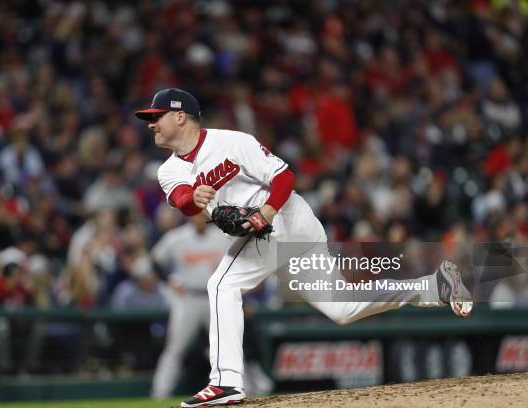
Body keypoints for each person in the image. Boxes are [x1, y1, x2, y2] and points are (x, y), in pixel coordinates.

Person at [134, 88, 474, 407]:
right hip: (273, 231)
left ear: (180, 117)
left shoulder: (232, 142)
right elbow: (182, 199)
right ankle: (433, 287)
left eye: (157, 116)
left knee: (222, 284)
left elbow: (284, 177)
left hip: (284, 217)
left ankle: (226, 381)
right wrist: (193, 197)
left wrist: (265, 213)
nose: (151, 124)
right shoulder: (169, 169)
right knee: (341, 308)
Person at [150, 213, 230, 399]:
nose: (200, 218)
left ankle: (241, 386)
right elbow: (155, 261)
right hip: (188, 298)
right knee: (175, 348)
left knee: (227, 345)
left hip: (215, 297)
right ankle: (160, 392)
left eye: (203, 215)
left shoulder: (222, 237)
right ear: (190, 216)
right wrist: (169, 280)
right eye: (196, 215)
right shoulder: (176, 237)